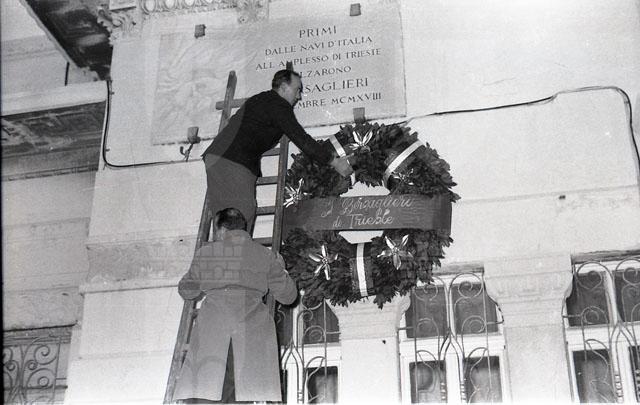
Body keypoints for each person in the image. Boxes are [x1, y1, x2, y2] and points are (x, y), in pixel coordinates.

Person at [202, 69, 353, 231]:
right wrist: (334, 161)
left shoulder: (262, 99)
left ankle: (223, 246)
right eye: (297, 90)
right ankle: (235, 247)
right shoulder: (278, 105)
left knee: (224, 219)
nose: (299, 96)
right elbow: (301, 138)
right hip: (233, 162)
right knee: (242, 215)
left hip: (217, 158)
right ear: (283, 88)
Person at [173, 207, 297, 404]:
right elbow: (289, 297)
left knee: (207, 396)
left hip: (212, 336)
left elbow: (187, 291)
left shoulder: (206, 253)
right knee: (243, 396)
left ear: (221, 230)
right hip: (251, 338)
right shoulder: (265, 255)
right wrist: (282, 269)